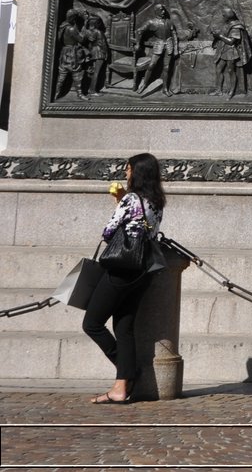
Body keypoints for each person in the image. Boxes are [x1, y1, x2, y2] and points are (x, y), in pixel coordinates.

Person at [82, 152, 166, 404]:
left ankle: (129, 372)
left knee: (92, 324)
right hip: (142, 271)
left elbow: (108, 233)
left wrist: (119, 203)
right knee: (123, 327)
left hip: (120, 269)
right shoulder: (156, 201)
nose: (125, 173)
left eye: (128, 169)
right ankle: (120, 387)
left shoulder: (130, 199)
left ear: (136, 172)